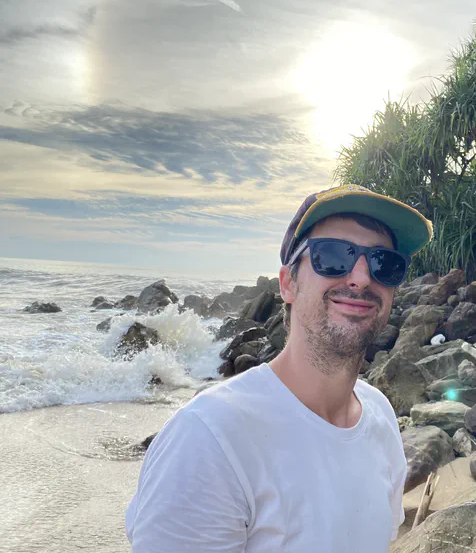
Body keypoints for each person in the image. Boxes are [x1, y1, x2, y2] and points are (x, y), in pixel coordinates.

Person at [125, 184, 433, 553]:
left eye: (385, 264)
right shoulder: (208, 439)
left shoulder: (381, 417)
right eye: (334, 256)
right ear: (288, 283)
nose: (362, 278)